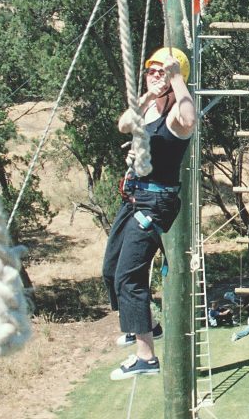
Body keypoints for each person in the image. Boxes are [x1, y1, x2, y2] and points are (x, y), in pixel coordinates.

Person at [103, 48, 194, 380]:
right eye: (151, 71)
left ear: (173, 79)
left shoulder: (175, 113)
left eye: (161, 73)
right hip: (133, 197)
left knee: (130, 278)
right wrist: (148, 95)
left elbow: (189, 120)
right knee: (111, 270)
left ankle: (146, 357)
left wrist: (178, 79)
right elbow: (124, 124)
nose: (155, 76)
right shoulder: (151, 107)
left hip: (155, 204)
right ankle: (142, 324)